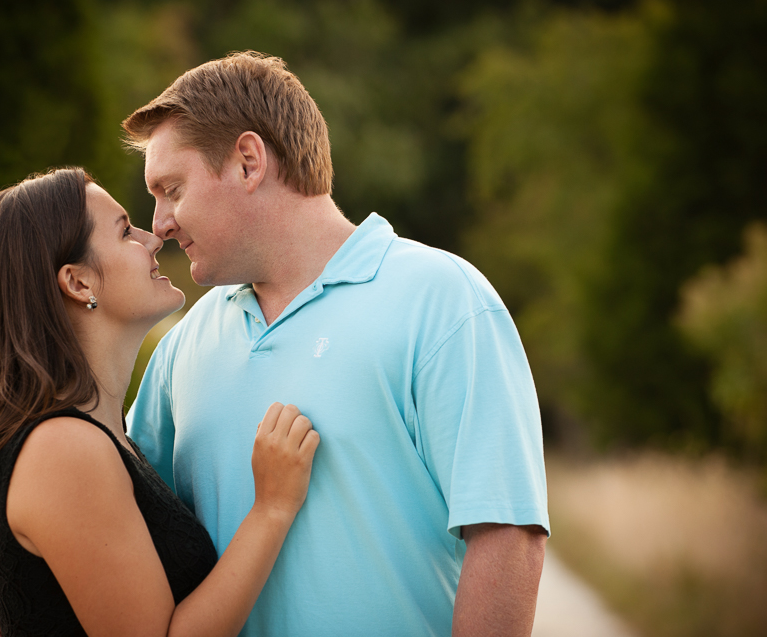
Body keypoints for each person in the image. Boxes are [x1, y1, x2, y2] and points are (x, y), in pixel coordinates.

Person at [123, 51, 550, 636]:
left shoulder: (443, 299)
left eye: (171, 189)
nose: (161, 223)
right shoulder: (180, 347)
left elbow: (507, 537)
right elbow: (122, 532)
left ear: (248, 162)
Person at [0, 167, 319, 636]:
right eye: (125, 231)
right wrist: (271, 509)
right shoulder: (62, 450)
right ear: (79, 283)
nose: (153, 238)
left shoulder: (84, 440)